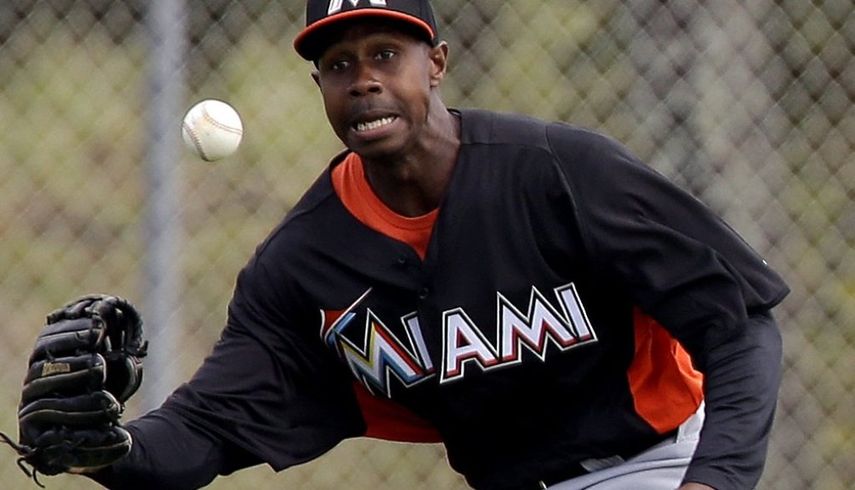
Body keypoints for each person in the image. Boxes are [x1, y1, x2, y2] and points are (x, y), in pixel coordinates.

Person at [15, 1, 790, 488]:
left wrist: (713, 480)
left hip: (661, 461)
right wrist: (106, 452)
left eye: (385, 54)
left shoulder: (558, 173)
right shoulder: (305, 266)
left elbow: (739, 321)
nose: (363, 81)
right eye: (338, 66)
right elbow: (210, 430)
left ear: (437, 64)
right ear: (320, 89)